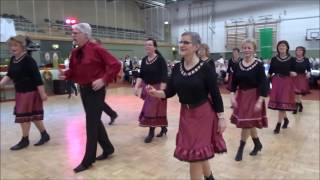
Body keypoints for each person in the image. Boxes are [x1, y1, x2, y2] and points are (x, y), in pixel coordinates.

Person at [147, 32, 227, 180]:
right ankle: (210, 178)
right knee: (198, 151)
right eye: (181, 42)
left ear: (196, 46)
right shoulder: (177, 68)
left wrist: (221, 118)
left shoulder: (205, 68)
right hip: (186, 115)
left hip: (203, 115)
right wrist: (156, 93)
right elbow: (169, 91)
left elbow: (215, 94)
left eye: (186, 42)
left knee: (195, 155)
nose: (181, 45)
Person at [59, 23, 121, 173]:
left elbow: (115, 64)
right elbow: (74, 71)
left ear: (86, 35)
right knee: (95, 121)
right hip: (84, 90)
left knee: (91, 124)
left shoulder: (97, 49)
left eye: (76, 33)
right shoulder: (75, 52)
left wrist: (103, 79)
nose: (73, 35)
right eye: (72, 33)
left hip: (96, 91)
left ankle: (88, 160)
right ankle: (108, 148)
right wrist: (65, 74)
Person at [0, 35, 50, 150]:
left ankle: (24, 140)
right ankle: (45, 135)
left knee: (24, 117)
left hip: (30, 92)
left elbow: (38, 78)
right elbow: (9, 75)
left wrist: (42, 94)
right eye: (11, 45)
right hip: (20, 92)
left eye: (15, 45)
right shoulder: (13, 59)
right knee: (34, 117)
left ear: (22, 46)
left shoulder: (29, 60)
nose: (12, 48)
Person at [230, 39, 268, 161]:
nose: (246, 50)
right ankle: (257, 144)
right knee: (249, 122)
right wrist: (232, 95)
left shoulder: (258, 64)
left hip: (254, 96)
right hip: (242, 96)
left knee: (246, 123)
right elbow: (234, 82)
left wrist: (260, 100)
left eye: (249, 48)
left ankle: (240, 148)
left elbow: (263, 83)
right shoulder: (238, 64)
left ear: (254, 50)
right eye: (245, 48)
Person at [133, 38, 168, 143]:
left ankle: (151, 132)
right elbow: (141, 75)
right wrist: (136, 87)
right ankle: (163, 128)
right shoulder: (144, 60)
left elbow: (164, 76)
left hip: (158, 88)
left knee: (152, 110)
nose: (147, 46)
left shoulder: (160, 59)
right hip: (148, 88)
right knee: (156, 110)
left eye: (150, 45)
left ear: (155, 47)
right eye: (146, 45)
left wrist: (161, 92)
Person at [268, 40, 297, 134]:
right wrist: (265, 81)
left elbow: (295, 72)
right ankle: (286, 119)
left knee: (282, 104)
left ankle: (278, 125)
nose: (282, 47)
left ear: (287, 47)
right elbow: (270, 71)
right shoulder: (274, 59)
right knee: (280, 104)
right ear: (278, 48)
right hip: (276, 81)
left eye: (283, 46)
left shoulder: (292, 59)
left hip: (287, 82)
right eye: (280, 46)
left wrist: (293, 73)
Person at [91, 38, 118, 125]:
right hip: (93, 81)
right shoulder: (92, 55)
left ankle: (99, 120)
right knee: (97, 102)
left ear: (99, 44)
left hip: (101, 81)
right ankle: (112, 114)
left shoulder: (102, 54)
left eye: (93, 44)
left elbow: (112, 66)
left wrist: (104, 80)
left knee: (98, 102)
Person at [292, 46, 311, 114]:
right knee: (296, 93)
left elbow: (309, 69)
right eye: (297, 50)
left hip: (302, 78)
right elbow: (290, 68)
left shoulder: (306, 59)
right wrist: (291, 72)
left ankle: (296, 106)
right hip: (294, 77)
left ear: (303, 52)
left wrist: (308, 73)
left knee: (299, 93)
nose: (299, 51)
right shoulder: (293, 59)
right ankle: (300, 105)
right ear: (295, 51)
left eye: (300, 50)